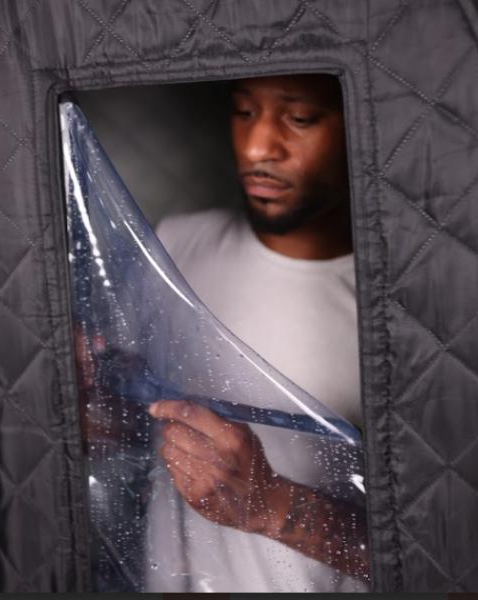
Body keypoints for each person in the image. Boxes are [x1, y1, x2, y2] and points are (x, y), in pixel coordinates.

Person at [145, 74, 368, 592]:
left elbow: (452, 548)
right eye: (244, 113)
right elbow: (126, 430)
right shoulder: (176, 243)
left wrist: (270, 506)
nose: (257, 146)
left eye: (299, 118)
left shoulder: (399, 300)